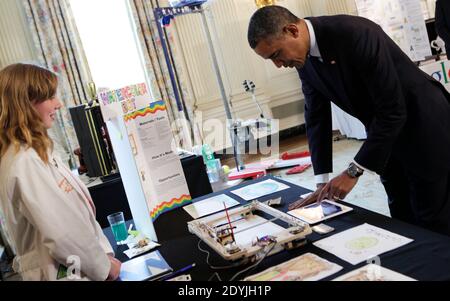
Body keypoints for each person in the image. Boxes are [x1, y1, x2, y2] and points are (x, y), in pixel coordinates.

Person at [247, 6, 450, 235]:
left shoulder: (355, 34)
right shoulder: (303, 59)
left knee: (432, 217)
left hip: (424, 126)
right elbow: (316, 116)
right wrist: (321, 181)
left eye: (276, 54)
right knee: (401, 214)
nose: (279, 65)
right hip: (384, 136)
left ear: (292, 30)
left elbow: (393, 110)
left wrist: (353, 171)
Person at [0, 63, 121, 280]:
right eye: (49, 97)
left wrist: (102, 257)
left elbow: (73, 217)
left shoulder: (35, 152)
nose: (58, 103)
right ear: (25, 104)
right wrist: (104, 267)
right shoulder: (24, 161)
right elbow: (63, 233)